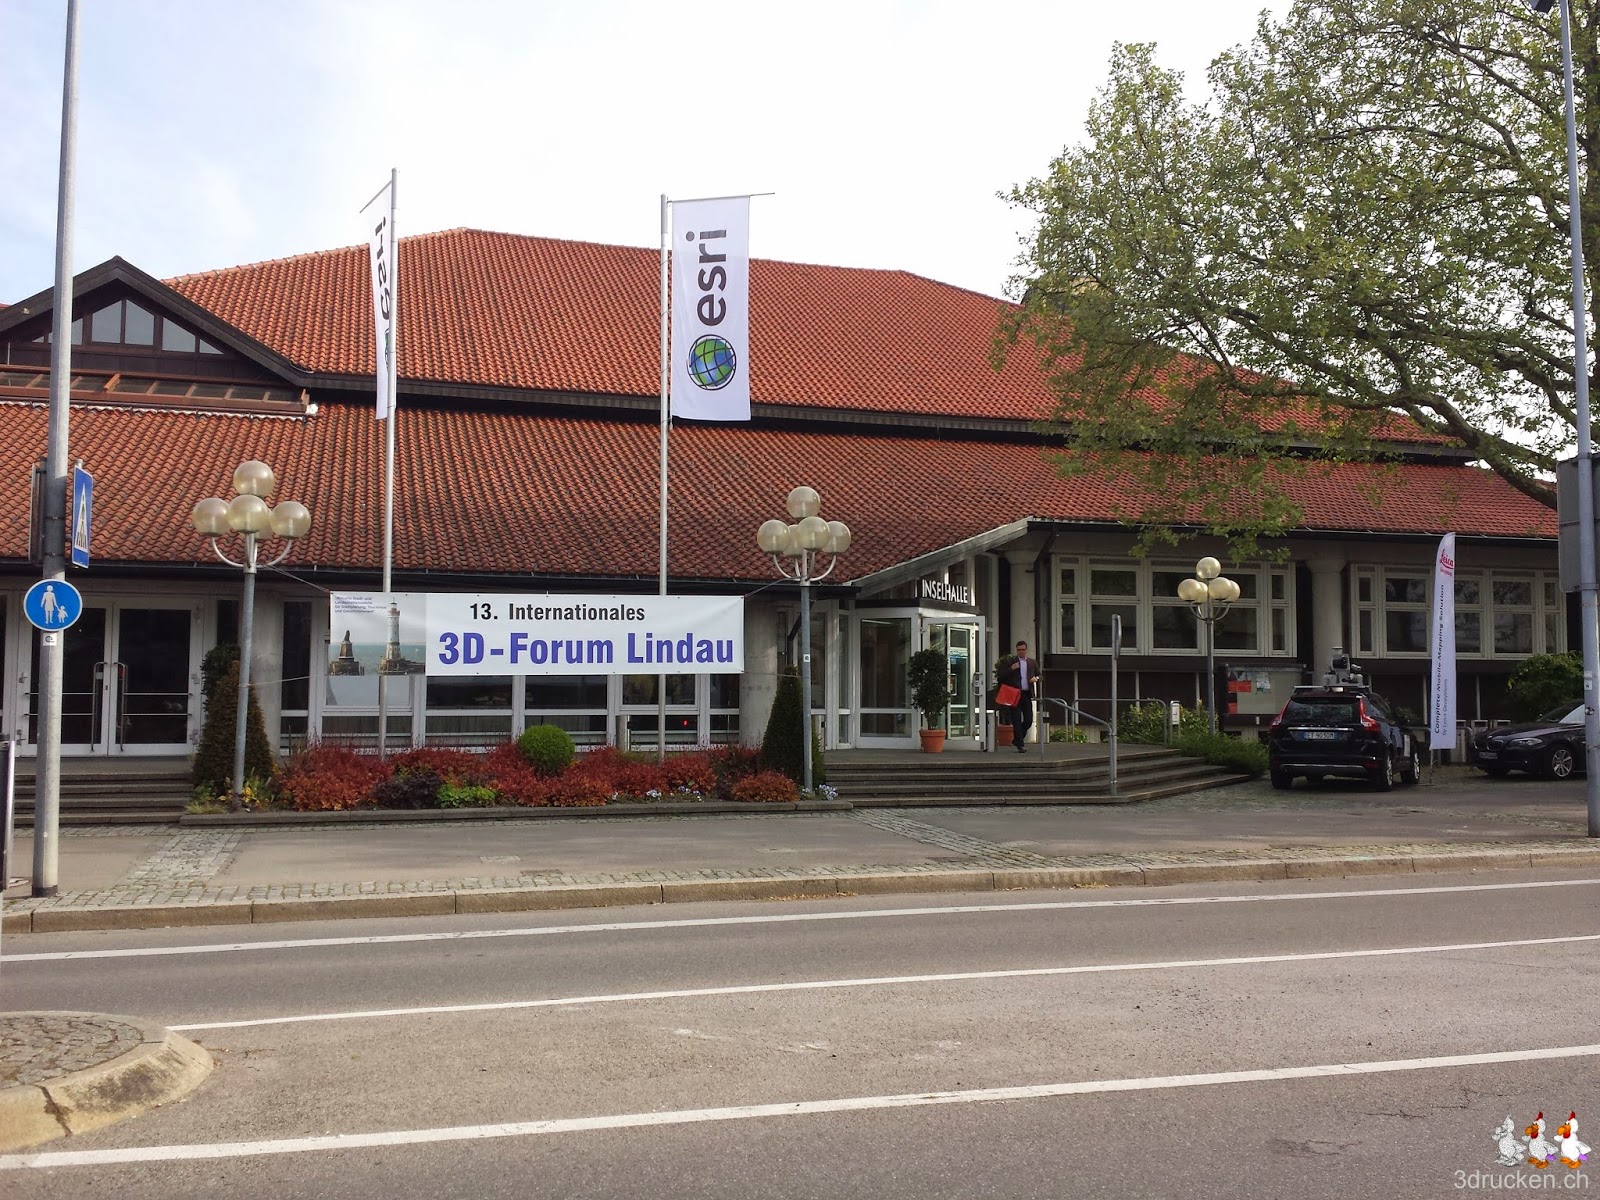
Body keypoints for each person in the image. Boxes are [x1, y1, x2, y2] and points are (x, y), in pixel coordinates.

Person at [998, 640, 1041, 752]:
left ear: (1026, 650)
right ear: (1016, 650)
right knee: (1016, 719)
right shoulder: (1011, 662)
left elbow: (1040, 675)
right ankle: (1020, 745)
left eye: (1023, 650)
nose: (1021, 652)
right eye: (1019, 650)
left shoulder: (1032, 662)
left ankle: (1017, 739)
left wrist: (1036, 679)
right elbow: (1001, 676)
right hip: (1014, 693)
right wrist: (1011, 669)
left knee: (1028, 720)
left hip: (1026, 694)